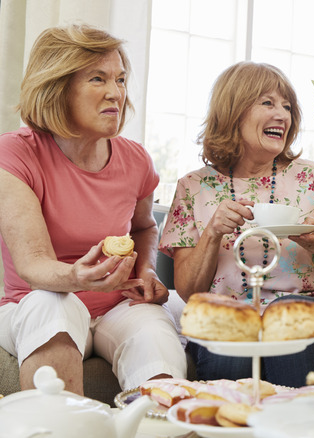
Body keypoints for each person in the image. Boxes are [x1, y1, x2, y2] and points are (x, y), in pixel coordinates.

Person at [0, 24, 187, 394]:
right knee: (50, 307)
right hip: (34, 300)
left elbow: (144, 227)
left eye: (120, 79)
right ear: (57, 87)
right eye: (98, 79)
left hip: (117, 304)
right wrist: (78, 278)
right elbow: (33, 264)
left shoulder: (135, 160)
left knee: (154, 333)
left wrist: (147, 269)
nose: (116, 92)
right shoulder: (17, 153)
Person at [159, 61, 314, 387]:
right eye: (267, 102)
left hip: (313, 308)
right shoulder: (192, 186)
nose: (282, 114)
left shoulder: (312, 177)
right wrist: (213, 232)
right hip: (230, 313)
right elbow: (190, 291)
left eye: (287, 106)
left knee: (287, 319)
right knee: (230, 333)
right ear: (233, 110)